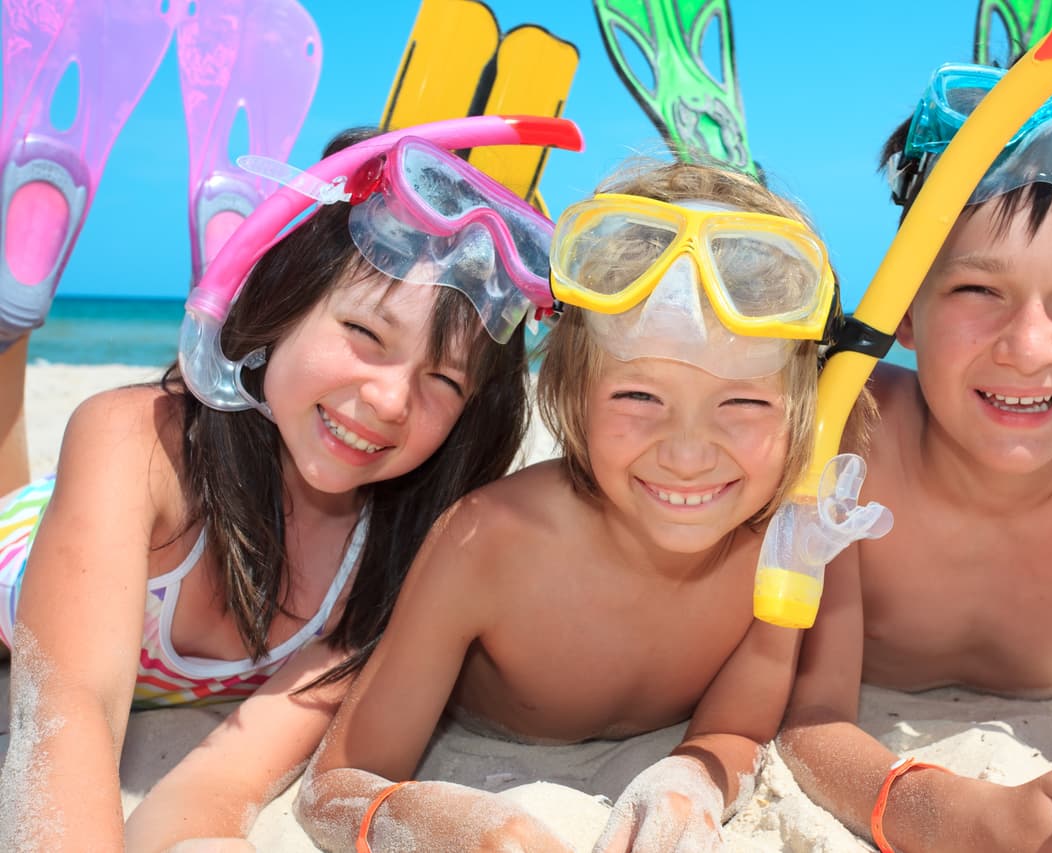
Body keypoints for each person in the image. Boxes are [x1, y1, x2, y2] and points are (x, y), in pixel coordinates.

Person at [0, 115, 583, 852]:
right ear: (280, 304)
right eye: (365, 334)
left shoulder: (390, 568)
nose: (391, 400)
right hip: (26, 557)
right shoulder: (133, 443)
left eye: (443, 379)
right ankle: (12, 322)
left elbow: (217, 786)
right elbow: (68, 717)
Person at [293, 160, 884, 852]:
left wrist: (690, 780)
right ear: (573, 393)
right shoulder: (487, 543)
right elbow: (334, 786)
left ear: (805, 412)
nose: (687, 454)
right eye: (639, 396)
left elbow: (738, 728)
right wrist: (448, 824)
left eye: (743, 402)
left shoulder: (792, 541)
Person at [778, 63, 1052, 852]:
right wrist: (961, 818)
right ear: (904, 307)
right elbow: (809, 721)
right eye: (978, 290)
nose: (1027, 347)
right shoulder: (852, 419)